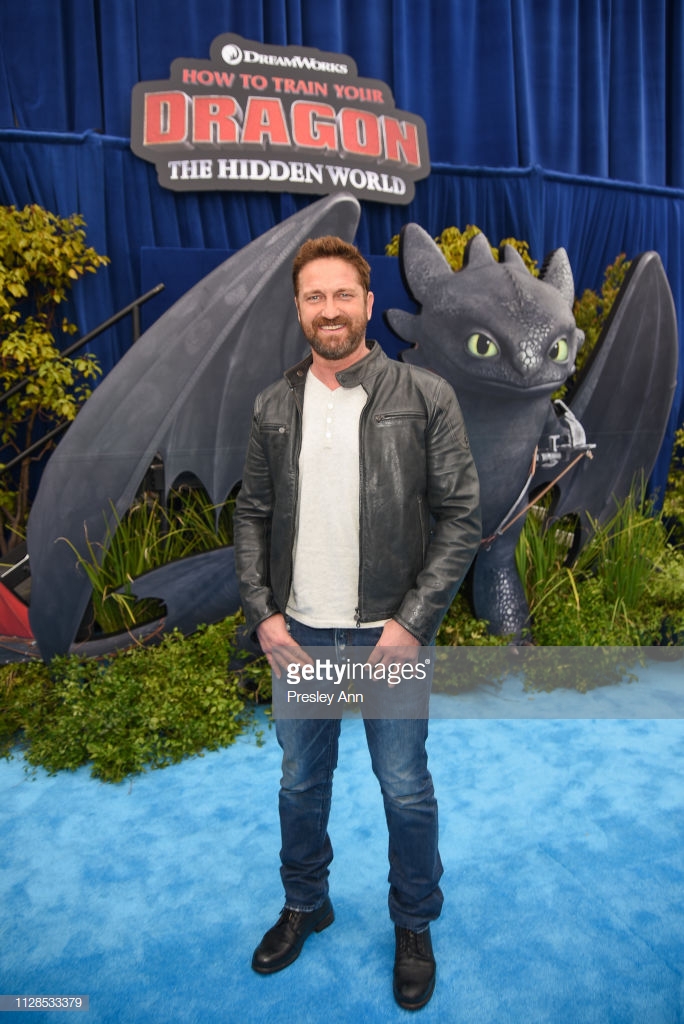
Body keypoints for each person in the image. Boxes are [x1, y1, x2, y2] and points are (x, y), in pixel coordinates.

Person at [233, 235, 481, 1011]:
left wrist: (412, 622)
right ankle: (305, 903)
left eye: (343, 294)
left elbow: (462, 518)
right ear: (298, 308)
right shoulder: (273, 406)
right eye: (315, 296)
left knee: (404, 788)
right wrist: (264, 616)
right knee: (300, 783)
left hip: (389, 637)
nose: (330, 309)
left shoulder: (425, 396)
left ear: (369, 304)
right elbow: (251, 515)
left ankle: (414, 921)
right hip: (301, 638)